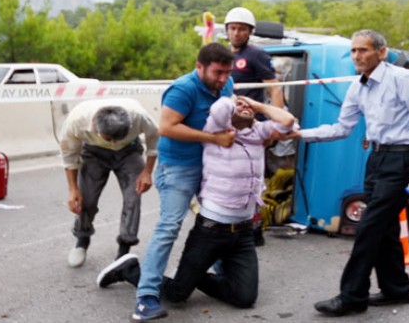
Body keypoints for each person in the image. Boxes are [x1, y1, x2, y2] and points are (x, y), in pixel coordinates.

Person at [286, 29, 409, 317]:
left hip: (402, 160)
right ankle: (397, 290)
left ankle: (352, 296)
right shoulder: (358, 87)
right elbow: (342, 128)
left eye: (364, 50)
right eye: (354, 51)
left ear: (381, 53)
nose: (357, 56)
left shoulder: (401, 79)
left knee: (369, 228)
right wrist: (300, 134)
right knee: (384, 229)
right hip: (376, 158)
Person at [96, 96, 296, 309]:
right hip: (211, 233)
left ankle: (194, 276)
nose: (244, 106)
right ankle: (128, 269)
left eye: (247, 106)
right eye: (238, 105)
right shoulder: (215, 130)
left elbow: (287, 121)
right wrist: (233, 98)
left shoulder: (259, 133)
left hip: (243, 234)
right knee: (176, 295)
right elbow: (220, 108)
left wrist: (255, 105)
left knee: (245, 298)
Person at [132, 42, 236, 321]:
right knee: (169, 226)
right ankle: (145, 297)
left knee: (216, 221)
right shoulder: (183, 89)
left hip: (211, 165)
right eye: (218, 73)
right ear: (199, 66)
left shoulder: (226, 84)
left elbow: (227, 114)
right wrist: (214, 139)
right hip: (178, 167)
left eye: (227, 73)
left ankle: (224, 275)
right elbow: (166, 127)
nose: (223, 79)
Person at [59, 98, 158, 267]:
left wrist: (147, 172)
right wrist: (73, 189)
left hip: (129, 152)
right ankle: (82, 240)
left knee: (133, 198)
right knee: (86, 199)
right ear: (96, 128)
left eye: (119, 137)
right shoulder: (76, 121)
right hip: (93, 152)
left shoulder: (139, 116)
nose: (114, 143)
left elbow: (154, 139)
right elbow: (69, 156)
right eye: (110, 138)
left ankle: (124, 250)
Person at [225, 6, 285, 244]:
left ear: (249, 32)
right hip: (229, 125)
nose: (236, 33)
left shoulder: (256, 55)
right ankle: (232, 223)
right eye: (232, 28)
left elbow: (274, 87)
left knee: (253, 178)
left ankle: (255, 229)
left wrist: (273, 125)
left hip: (252, 126)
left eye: (241, 29)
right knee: (231, 176)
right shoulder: (225, 55)